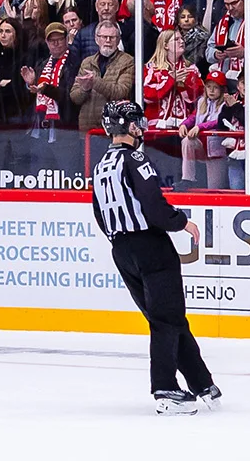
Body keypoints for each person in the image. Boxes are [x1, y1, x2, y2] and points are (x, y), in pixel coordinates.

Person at [91, 100, 219, 415]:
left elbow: (98, 211)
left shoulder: (101, 165)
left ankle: (201, 382)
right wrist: (181, 222)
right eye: (136, 121)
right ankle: (165, 388)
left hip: (122, 250)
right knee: (166, 319)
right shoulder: (135, 158)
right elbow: (153, 204)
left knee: (167, 316)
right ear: (126, 126)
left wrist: (120, 242)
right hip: (151, 246)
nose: (141, 127)